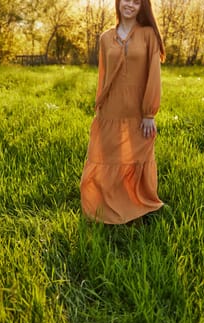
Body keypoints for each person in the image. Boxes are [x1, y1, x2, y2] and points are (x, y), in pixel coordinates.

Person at [80, 0, 166, 225]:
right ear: (118, 3)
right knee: (108, 156)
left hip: (139, 112)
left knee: (138, 156)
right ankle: (108, 203)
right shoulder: (106, 38)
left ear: (142, 7)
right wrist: (100, 104)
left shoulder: (148, 35)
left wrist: (149, 113)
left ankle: (137, 204)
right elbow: (103, 75)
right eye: (126, 0)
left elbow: (153, 75)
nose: (130, 5)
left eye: (136, 2)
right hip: (111, 109)